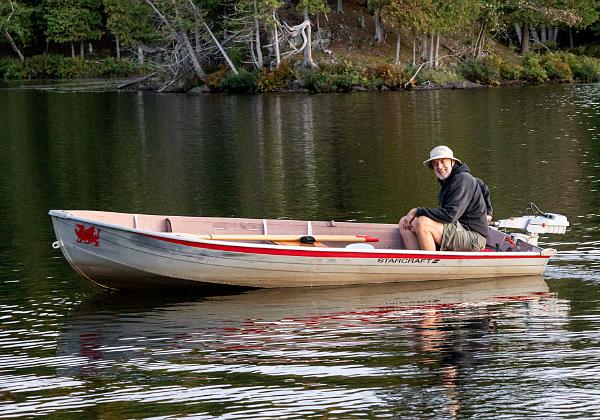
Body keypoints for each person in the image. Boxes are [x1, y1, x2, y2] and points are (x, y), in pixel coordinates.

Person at [399, 145, 492, 251]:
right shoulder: (452, 179)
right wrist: (488, 211)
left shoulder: (462, 179)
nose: (439, 166)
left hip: (474, 238)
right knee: (405, 222)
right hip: (458, 229)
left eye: (443, 161)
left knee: (423, 223)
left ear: (452, 162)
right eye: (435, 163)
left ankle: (430, 264)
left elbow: (450, 215)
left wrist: (418, 211)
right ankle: (416, 261)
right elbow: (482, 185)